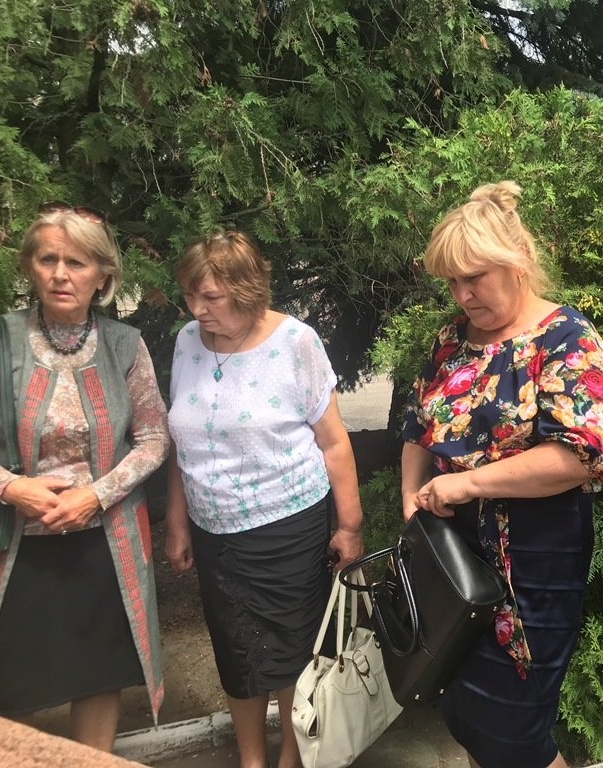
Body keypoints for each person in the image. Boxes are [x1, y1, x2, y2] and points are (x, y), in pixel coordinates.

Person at [402, 182, 603, 768]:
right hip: (452, 561)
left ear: (517, 259)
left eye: (474, 278)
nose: (462, 294)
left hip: (532, 568)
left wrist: (467, 483)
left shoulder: (567, 339)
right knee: (471, 719)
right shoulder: (450, 340)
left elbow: (580, 456)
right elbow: (416, 427)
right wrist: (410, 501)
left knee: (516, 735)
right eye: (452, 281)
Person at [0, 202, 169, 750]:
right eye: (48, 259)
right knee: (10, 683)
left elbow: (154, 437)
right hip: (19, 544)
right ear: (29, 266)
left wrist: (95, 496)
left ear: (102, 275)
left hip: (105, 544)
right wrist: (12, 487)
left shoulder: (125, 345)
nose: (61, 274)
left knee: (99, 675)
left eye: (77, 263)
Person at [164, 230, 364, 768]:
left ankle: (291, 760)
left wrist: (350, 526)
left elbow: (334, 442)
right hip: (214, 532)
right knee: (236, 652)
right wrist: (178, 521)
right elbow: (182, 441)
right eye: (190, 295)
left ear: (247, 290)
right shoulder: (187, 341)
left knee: (292, 652)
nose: (197, 309)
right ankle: (252, 759)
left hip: (287, 528)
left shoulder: (295, 342)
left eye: (211, 297)